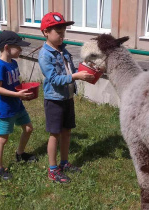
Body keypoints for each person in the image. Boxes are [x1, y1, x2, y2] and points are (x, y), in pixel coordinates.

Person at [38, 12, 95, 183]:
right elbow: (54, 80)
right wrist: (76, 77)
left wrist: (83, 72)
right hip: (54, 99)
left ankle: (64, 162)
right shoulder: (45, 55)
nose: (62, 35)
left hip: (67, 97)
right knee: (55, 134)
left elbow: (70, 72)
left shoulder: (64, 50)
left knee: (66, 132)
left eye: (63, 31)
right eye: (58, 32)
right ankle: (53, 169)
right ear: (46, 32)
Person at [0, 30, 37, 180]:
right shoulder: (0, 66)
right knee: (3, 139)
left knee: (29, 128)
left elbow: (15, 83)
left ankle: (20, 153)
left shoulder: (14, 63)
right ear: (7, 47)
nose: (21, 49)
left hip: (17, 105)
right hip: (5, 108)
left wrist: (23, 91)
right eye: (18, 47)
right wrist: (17, 94)